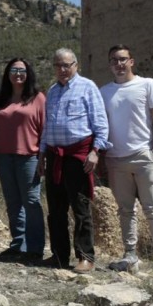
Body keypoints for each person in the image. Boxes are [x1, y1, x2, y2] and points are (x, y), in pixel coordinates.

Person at [100, 45, 153, 273]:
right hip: (115, 158)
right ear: (110, 65)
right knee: (125, 210)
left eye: (122, 59)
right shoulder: (104, 92)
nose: (119, 64)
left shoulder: (147, 85)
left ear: (131, 61)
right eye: (114, 61)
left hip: (143, 155)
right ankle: (130, 255)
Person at [42, 48, 109, 273]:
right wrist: (42, 153)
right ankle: (59, 256)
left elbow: (100, 122)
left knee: (80, 208)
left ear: (76, 65)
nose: (62, 70)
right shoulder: (51, 91)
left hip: (78, 156)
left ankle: (85, 256)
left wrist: (95, 151)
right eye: (58, 65)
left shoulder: (88, 87)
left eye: (66, 65)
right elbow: (47, 127)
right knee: (56, 209)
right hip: (54, 155)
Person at [0, 57, 46, 261]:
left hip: (29, 157)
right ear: (8, 74)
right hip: (5, 157)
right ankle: (18, 245)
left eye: (22, 70)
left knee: (31, 202)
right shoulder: (2, 99)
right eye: (13, 70)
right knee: (13, 203)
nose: (18, 74)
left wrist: (43, 157)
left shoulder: (37, 98)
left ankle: (35, 247)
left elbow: (44, 130)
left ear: (28, 73)